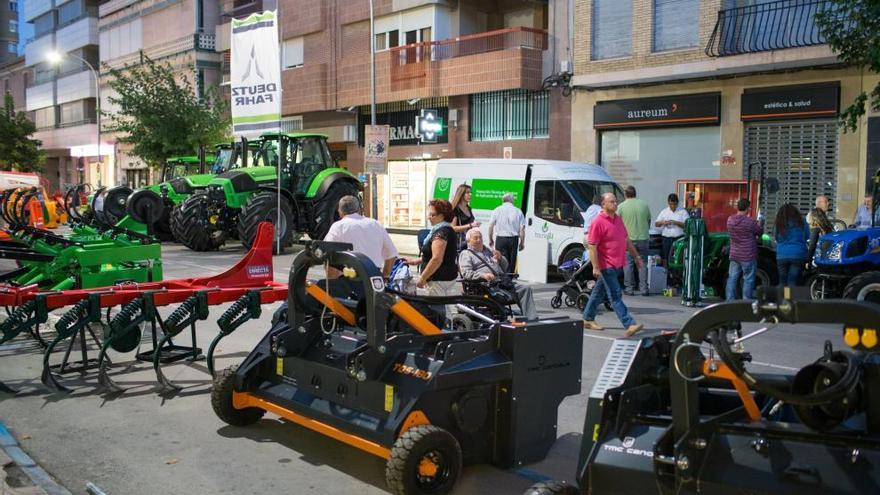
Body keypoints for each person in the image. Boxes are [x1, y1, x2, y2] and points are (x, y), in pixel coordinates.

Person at [582, 193, 644, 337]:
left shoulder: (618, 219)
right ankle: (629, 324)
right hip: (606, 265)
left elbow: (626, 240)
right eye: (612, 202)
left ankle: (587, 318)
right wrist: (595, 266)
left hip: (618, 264)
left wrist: (636, 257)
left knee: (598, 293)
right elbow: (592, 246)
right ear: (603, 204)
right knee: (615, 295)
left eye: (616, 201)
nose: (615, 204)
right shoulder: (598, 222)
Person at [458, 228, 537, 320]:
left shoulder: (488, 250)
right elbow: (466, 273)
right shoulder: (466, 254)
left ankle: (532, 320)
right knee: (511, 292)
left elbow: (505, 267)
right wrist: (483, 275)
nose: (479, 240)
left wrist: (500, 258)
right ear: (468, 241)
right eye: (475, 238)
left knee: (525, 289)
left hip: (501, 282)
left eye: (480, 237)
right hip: (485, 286)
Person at [324, 195, 398, 277]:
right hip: (374, 277)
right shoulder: (375, 224)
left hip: (349, 278)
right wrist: (385, 277)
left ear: (339, 211)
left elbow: (328, 255)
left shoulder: (338, 226)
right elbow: (391, 254)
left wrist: (332, 284)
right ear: (359, 209)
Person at [406, 199, 460, 299]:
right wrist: (415, 261)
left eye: (432, 215)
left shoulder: (441, 233)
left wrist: (423, 277)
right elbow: (436, 255)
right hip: (445, 276)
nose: (429, 217)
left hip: (439, 278)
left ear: (442, 215)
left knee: (437, 310)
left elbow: (436, 259)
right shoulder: (445, 229)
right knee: (443, 308)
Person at [726, 198, 763, 301]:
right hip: (748, 255)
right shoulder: (750, 222)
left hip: (734, 254)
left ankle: (729, 300)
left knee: (732, 278)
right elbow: (759, 232)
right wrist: (760, 223)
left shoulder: (730, 220)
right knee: (748, 279)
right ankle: (746, 300)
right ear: (748, 208)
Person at [617, 186, 651, 296]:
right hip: (643, 238)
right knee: (642, 263)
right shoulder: (644, 205)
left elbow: (616, 224)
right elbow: (649, 220)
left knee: (628, 264)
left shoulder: (621, 206)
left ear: (626, 195)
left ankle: (629, 288)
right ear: (635, 194)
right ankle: (644, 289)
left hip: (628, 240)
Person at [488, 193, 525, 273]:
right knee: (512, 260)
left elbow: (491, 226)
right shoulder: (518, 211)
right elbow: (522, 229)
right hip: (513, 239)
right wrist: (522, 242)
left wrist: (490, 239)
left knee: (500, 258)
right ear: (512, 200)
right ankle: (509, 279)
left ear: (503, 200)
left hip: (500, 238)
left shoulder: (497, 210)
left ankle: (501, 278)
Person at [774, 203, 809, 287]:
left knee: (782, 282)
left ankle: (782, 299)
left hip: (782, 255)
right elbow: (807, 236)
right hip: (798, 255)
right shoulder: (802, 222)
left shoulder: (779, 223)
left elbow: (776, 238)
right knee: (792, 282)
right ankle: (789, 299)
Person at [654, 193, 689, 263]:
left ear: (677, 203)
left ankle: (677, 273)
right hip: (667, 238)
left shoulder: (683, 212)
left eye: (674, 204)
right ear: (668, 203)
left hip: (679, 238)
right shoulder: (664, 211)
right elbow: (656, 224)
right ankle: (666, 272)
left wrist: (676, 222)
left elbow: (687, 225)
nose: (673, 206)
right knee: (666, 257)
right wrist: (663, 223)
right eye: (671, 204)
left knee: (679, 257)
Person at [450, 184, 480, 250]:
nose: (470, 194)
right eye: (467, 193)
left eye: (471, 192)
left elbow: (470, 223)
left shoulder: (468, 208)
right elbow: (452, 228)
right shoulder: (455, 209)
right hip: (458, 243)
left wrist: (475, 225)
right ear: (461, 194)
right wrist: (470, 225)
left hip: (469, 242)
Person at [581, 194, 603, 261]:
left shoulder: (589, 208)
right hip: (591, 236)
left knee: (588, 257)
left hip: (585, 236)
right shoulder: (598, 209)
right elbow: (604, 218)